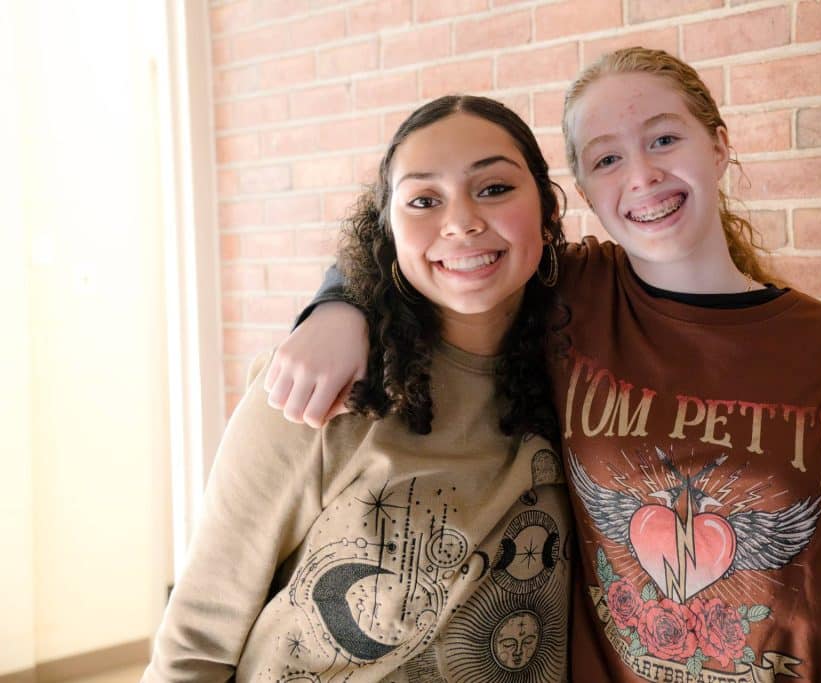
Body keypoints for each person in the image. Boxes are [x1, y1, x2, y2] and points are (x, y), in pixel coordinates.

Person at [266, 48, 821, 682]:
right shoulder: (571, 297)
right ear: (583, 188)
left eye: (665, 139)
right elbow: (439, 253)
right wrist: (336, 307)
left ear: (719, 145)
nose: (642, 175)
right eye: (608, 158)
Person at [143, 95, 576, 682]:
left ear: (549, 211)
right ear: (389, 230)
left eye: (494, 188)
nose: (461, 221)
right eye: (424, 200)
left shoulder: (584, 366)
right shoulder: (322, 388)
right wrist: (340, 303)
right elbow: (196, 641)